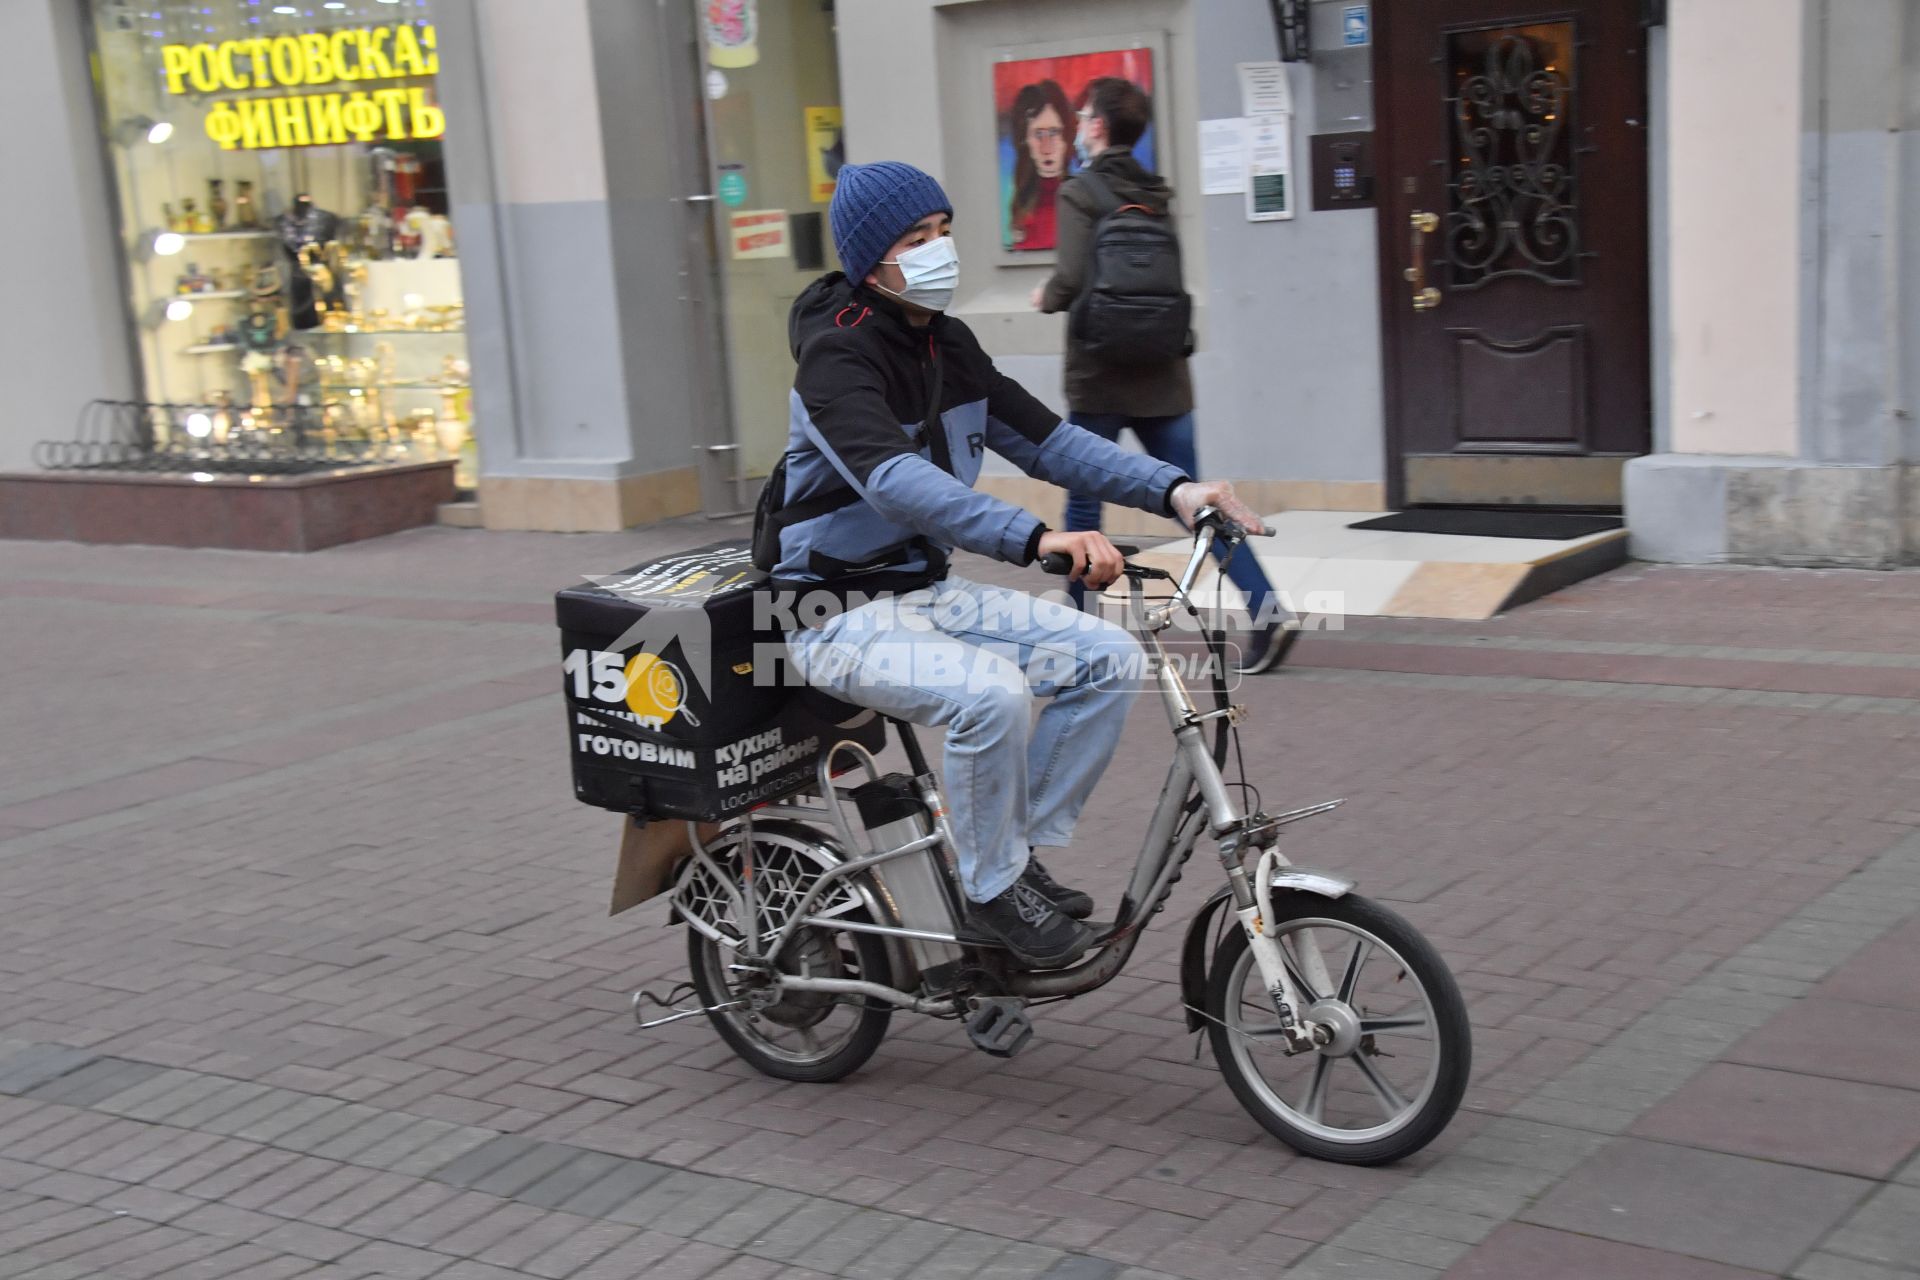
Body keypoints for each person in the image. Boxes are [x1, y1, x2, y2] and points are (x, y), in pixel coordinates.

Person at [771, 160, 1269, 970]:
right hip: (829, 612)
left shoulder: (945, 344)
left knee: (1104, 658)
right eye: (914, 239)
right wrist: (1037, 541)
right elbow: (897, 482)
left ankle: (1009, 869)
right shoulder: (837, 358)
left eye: (942, 231)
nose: (939, 251)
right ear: (869, 261)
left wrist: (1174, 491)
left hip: (921, 591)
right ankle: (991, 888)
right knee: (990, 696)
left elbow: (1052, 443)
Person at [1032, 77, 1296, 673]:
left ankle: (1078, 633)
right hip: (1164, 378)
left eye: (1081, 115)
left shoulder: (1080, 193)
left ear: (1097, 126)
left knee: (1082, 507)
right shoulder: (1157, 192)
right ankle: (1266, 609)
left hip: (1100, 376)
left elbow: (1070, 279)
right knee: (1196, 502)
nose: (1076, 124)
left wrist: (1043, 296)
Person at [1006, 81, 1075, 251]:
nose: (1047, 148)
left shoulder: (1081, 199)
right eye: (1038, 134)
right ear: (1025, 140)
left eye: (1054, 132)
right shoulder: (1019, 202)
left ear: (1067, 134)